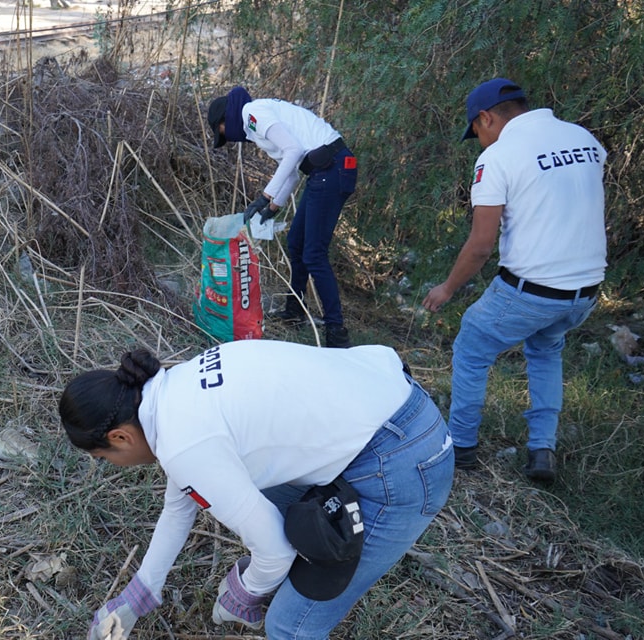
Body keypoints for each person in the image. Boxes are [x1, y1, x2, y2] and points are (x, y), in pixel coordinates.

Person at [59, 340, 454, 639]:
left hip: (402, 463)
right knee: (256, 506)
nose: (111, 465)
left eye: (103, 456)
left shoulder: (184, 445)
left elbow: (275, 551)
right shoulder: (173, 392)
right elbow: (180, 506)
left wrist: (243, 593)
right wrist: (141, 592)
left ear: (120, 437)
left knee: (288, 627)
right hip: (392, 405)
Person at [423, 78, 607, 483]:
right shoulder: (584, 139)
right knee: (545, 349)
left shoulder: (499, 156)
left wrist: (447, 288)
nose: (480, 144)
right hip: (586, 292)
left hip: (533, 291)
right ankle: (542, 450)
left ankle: (462, 448)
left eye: (477, 134)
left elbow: (481, 245)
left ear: (486, 118)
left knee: (472, 344)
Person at [207, 86, 358, 348]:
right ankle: (295, 311)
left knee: (314, 254)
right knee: (297, 244)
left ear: (225, 120)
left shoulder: (252, 114)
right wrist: (273, 207)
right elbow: (293, 169)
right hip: (323, 172)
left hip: (333, 170)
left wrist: (265, 196)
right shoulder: (255, 121)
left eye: (222, 132)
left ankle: (336, 332)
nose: (227, 138)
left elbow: (293, 150)